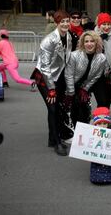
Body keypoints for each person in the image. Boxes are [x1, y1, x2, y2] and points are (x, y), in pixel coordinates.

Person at [30, 10, 72, 156]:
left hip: (58, 75)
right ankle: (57, 142)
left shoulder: (68, 36)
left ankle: (51, 138)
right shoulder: (48, 40)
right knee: (53, 108)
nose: (66, 24)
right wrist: (51, 89)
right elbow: (45, 66)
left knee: (56, 108)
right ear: (56, 22)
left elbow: (67, 59)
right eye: (63, 22)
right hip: (44, 77)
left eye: (68, 21)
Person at [64, 31, 107, 130]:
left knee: (84, 109)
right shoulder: (74, 55)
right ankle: (71, 131)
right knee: (73, 108)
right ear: (82, 43)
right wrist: (70, 93)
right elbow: (68, 75)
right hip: (71, 85)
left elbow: (96, 76)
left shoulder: (102, 58)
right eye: (86, 41)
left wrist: (85, 88)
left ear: (96, 42)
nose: (89, 44)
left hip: (85, 85)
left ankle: (84, 131)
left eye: (92, 41)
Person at [92, 13, 111, 111]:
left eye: (108, 24)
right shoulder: (92, 36)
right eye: (104, 24)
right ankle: (99, 121)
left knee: (107, 101)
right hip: (98, 75)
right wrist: (98, 41)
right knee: (102, 102)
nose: (107, 27)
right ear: (99, 25)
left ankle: (103, 121)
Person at [89, 107, 111, 185]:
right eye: (99, 124)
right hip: (97, 159)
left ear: (108, 124)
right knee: (96, 172)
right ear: (95, 124)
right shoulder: (91, 134)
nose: (102, 126)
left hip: (110, 159)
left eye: (105, 123)